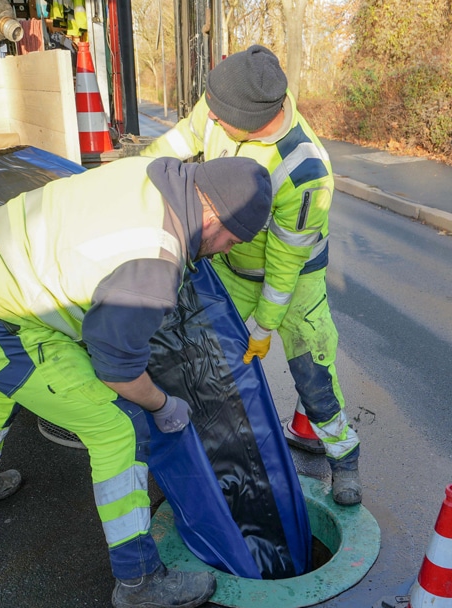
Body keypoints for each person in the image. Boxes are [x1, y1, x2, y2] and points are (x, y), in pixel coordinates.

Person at [0, 155, 272, 608]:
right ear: (212, 216)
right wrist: (163, 404)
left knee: (6, 381)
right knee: (119, 427)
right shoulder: (154, 258)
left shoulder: (156, 173)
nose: (227, 249)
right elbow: (118, 371)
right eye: (232, 238)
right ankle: (139, 579)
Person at [142, 45, 362, 506]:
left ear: (252, 117)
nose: (212, 120)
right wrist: (136, 181)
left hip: (295, 282)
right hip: (230, 266)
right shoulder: (223, 104)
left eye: (222, 118)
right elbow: (174, 146)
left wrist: (264, 326)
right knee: (204, 360)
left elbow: (285, 263)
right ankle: (198, 459)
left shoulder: (304, 171)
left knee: (313, 373)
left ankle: (344, 458)